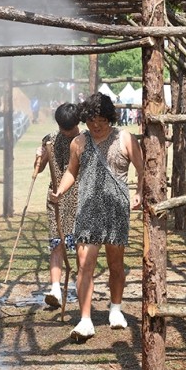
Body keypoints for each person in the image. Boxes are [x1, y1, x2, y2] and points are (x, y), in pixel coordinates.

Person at [51, 92, 144, 341]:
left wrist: (140, 192)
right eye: (92, 120)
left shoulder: (125, 138)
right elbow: (72, 171)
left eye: (102, 120)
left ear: (110, 118)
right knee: (84, 264)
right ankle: (85, 320)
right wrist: (60, 190)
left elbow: (142, 168)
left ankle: (115, 309)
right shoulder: (79, 143)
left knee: (115, 264)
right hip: (88, 210)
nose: (96, 125)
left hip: (116, 210)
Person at [35, 103, 82, 308]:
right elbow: (39, 168)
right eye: (63, 128)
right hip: (56, 199)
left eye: (69, 129)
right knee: (56, 244)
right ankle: (55, 289)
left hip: (81, 198)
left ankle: (82, 287)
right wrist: (39, 156)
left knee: (83, 246)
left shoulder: (86, 140)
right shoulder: (50, 140)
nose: (65, 133)